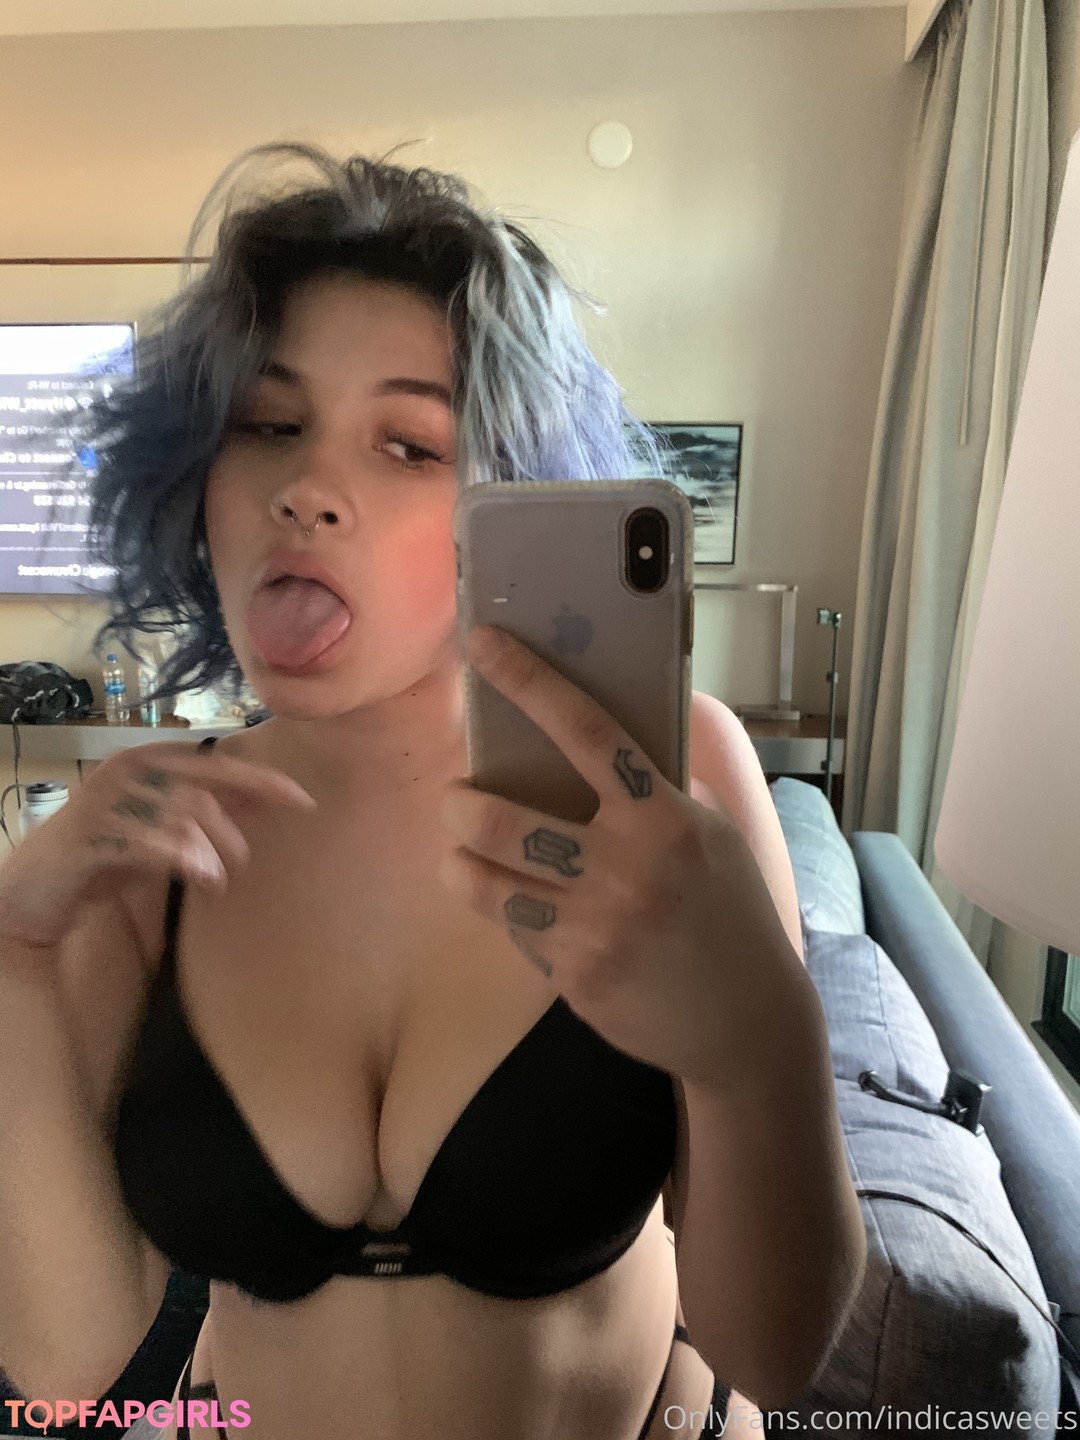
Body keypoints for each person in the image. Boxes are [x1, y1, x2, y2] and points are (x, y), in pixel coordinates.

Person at [0, 142, 865, 1440]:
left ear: (508, 504)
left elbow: (777, 1351)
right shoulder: (147, 843)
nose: (307, 492)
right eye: (270, 426)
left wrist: (763, 1041)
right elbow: (66, 1365)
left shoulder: (668, 785)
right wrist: (13, 950)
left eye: (409, 443)